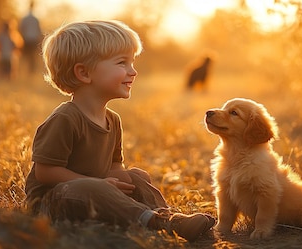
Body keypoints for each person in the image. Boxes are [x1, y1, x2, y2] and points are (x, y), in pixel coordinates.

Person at [24, 20, 215, 242]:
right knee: (92, 187)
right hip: (54, 202)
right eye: (122, 63)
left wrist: (126, 179)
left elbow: (113, 166)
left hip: (93, 192)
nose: (133, 71)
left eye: (132, 62)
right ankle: (157, 223)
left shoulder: (112, 120)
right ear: (84, 73)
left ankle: (167, 216)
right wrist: (98, 183)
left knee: (136, 176)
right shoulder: (65, 119)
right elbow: (45, 173)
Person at [19, 1, 43, 73]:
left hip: (26, 39)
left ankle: (24, 70)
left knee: (26, 56)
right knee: (32, 57)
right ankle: (31, 71)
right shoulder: (36, 19)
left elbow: (21, 28)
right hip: (33, 40)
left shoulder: (25, 18)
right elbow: (39, 30)